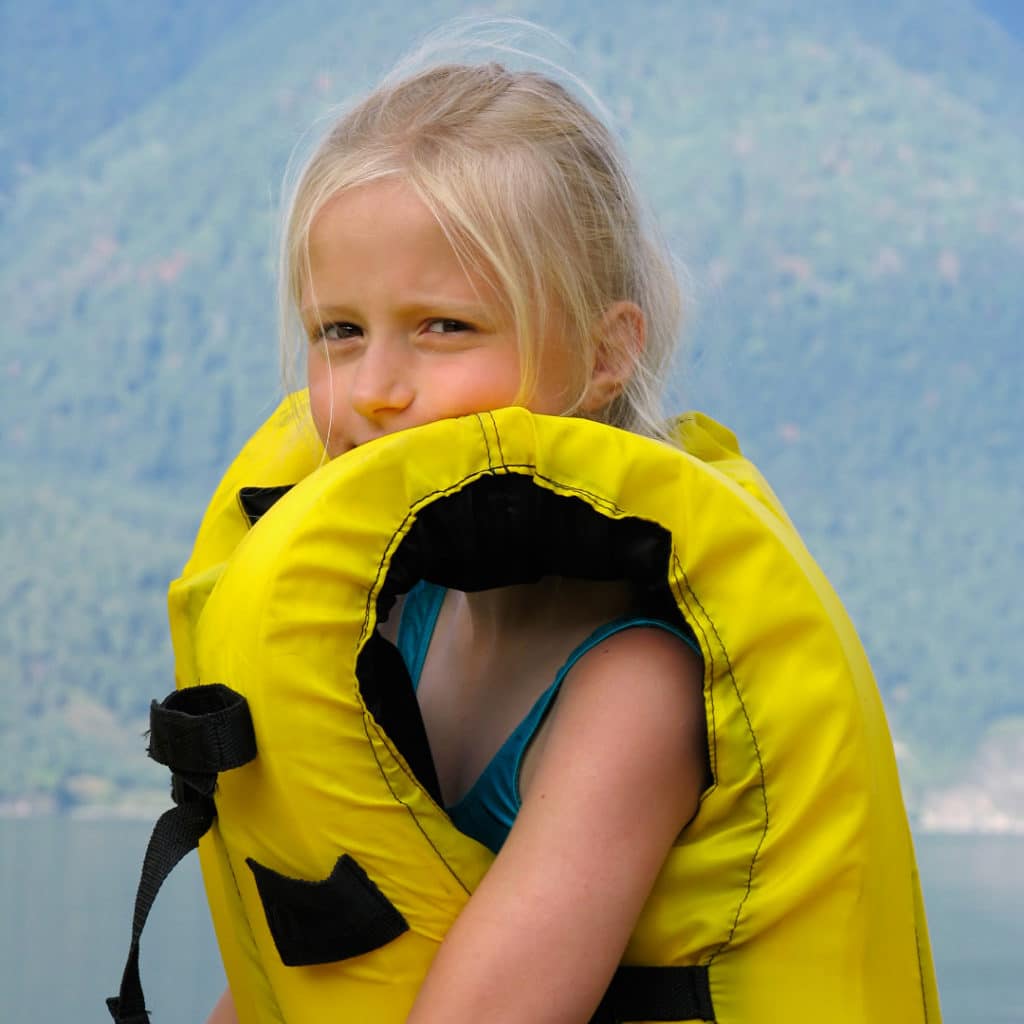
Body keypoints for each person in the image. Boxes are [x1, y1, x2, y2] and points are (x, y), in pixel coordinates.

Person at [193, 51, 938, 1024]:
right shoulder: (382, 624)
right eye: (338, 330)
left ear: (602, 355)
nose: (375, 385)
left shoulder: (635, 688)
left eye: (444, 326)